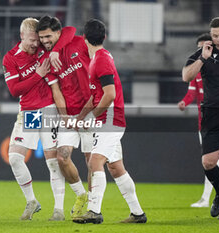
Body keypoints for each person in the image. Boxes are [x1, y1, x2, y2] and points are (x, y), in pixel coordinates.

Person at [70, 19, 146, 224]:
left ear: (84, 38)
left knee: (95, 161)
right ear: (105, 37)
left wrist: (93, 116)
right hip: (108, 118)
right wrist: (80, 117)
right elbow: (95, 95)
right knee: (116, 167)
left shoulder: (101, 60)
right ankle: (138, 213)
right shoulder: (99, 58)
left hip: (110, 120)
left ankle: (94, 212)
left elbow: (109, 94)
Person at [3, 17, 76, 221]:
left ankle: (59, 210)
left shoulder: (44, 52)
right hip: (29, 112)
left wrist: (52, 51)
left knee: (53, 162)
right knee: (15, 158)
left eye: (38, 40)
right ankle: (32, 201)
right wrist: (37, 75)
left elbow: (69, 30)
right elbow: (14, 89)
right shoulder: (10, 58)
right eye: (32, 40)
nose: (36, 44)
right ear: (21, 36)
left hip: (49, 110)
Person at [37, 15, 92, 220]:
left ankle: (93, 206)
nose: (45, 41)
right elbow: (56, 91)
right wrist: (65, 116)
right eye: (41, 37)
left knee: (91, 161)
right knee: (62, 157)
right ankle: (81, 195)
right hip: (69, 114)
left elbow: (71, 28)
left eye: (48, 36)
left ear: (58, 33)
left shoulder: (79, 42)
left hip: (91, 110)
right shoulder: (47, 58)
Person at [182, 17, 219, 220]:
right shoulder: (204, 53)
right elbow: (186, 76)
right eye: (215, 35)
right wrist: (203, 58)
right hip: (211, 114)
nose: (218, 39)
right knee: (208, 163)